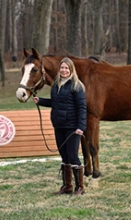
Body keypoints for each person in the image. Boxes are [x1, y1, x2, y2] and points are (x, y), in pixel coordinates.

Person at [33, 57, 86, 196]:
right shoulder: (56, 85)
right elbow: (56, 103)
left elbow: (81, 108)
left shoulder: (77, 85)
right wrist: (41, 101)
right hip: (59, 125)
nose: (64, 70)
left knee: (73, 156)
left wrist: (81, 126)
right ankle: (67, 186)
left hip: (73, 126)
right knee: (64, 156)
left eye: (66, 68)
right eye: (62, 68)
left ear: (71, 69)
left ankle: (80, 187)